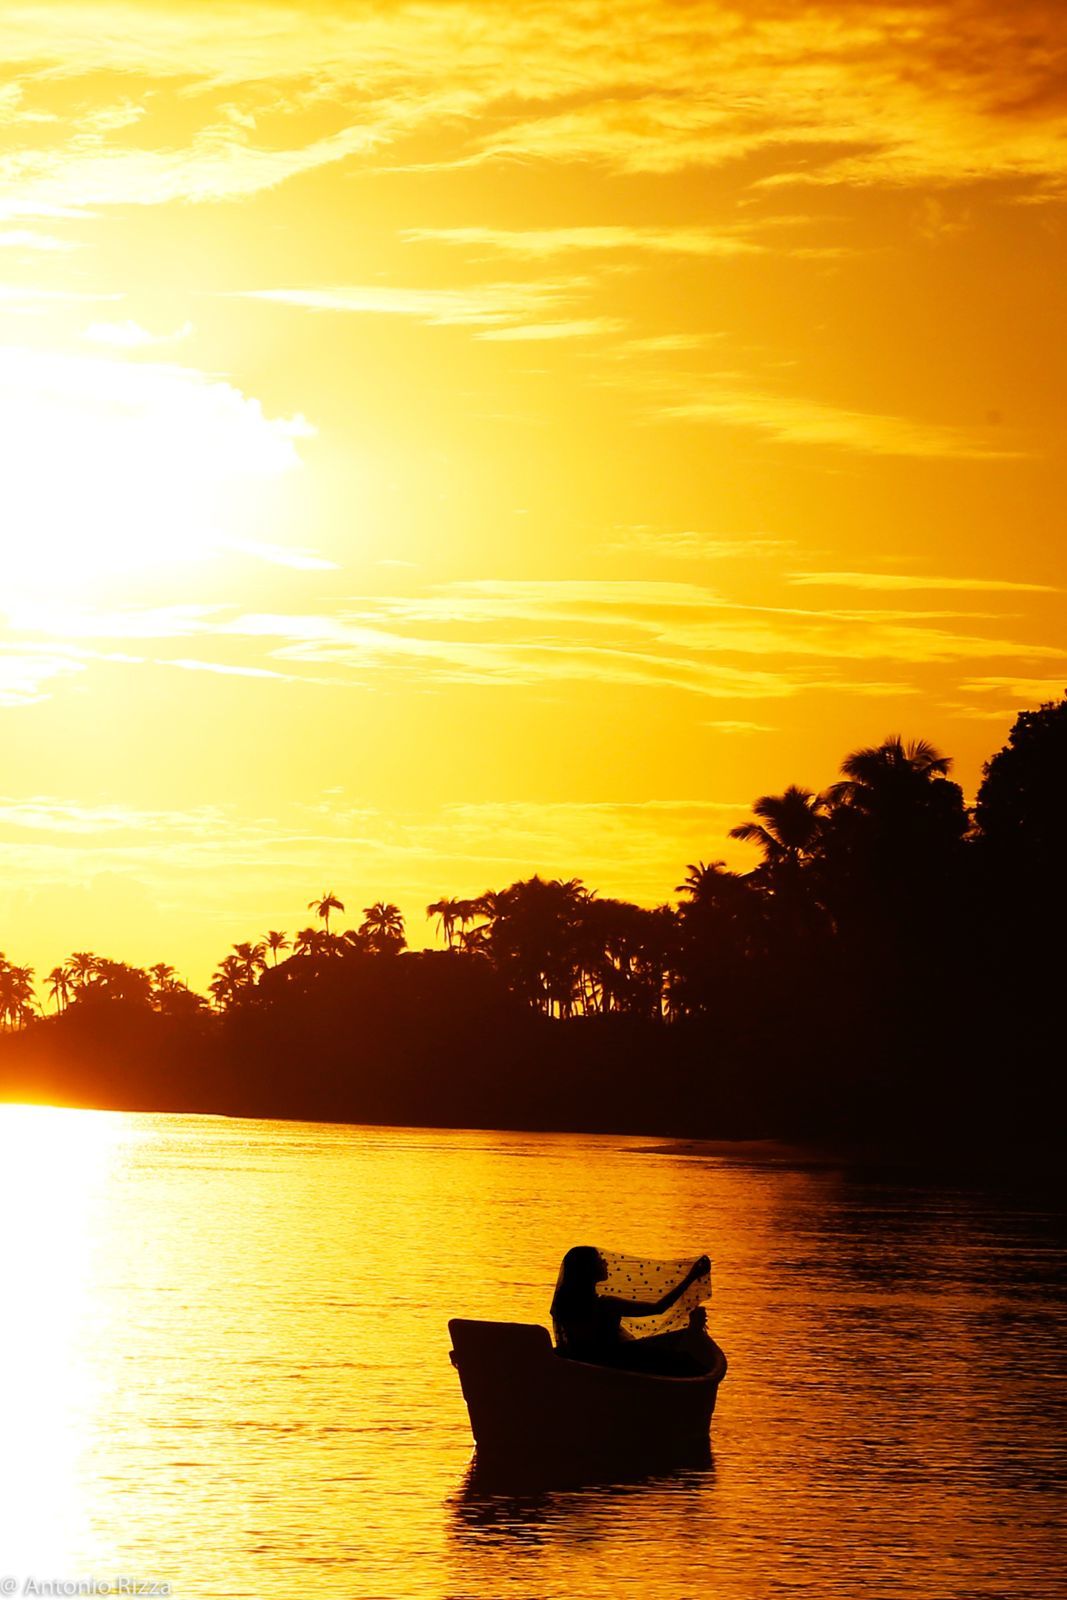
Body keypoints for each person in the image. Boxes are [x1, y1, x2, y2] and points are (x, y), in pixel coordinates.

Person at [550, 1246, 711, 1372]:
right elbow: (659, 1308)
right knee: (684, 1362)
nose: (605, 1263)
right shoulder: (607, 1305)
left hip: (597, 1365)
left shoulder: (565, 1304)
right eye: (599, 1260)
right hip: (619, 1363)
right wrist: (691, 1276)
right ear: (588, 1270)